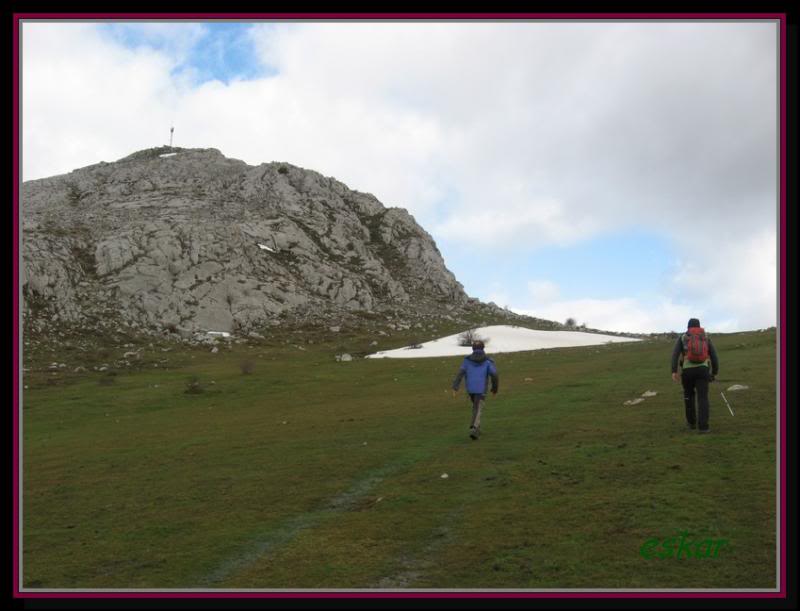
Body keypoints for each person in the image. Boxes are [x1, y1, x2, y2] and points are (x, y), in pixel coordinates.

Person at [671, 318, 719, 433]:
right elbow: (714, 356)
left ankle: (691, 423)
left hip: (687, 371)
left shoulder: (683, 337)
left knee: (688, 396)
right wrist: (714, 373)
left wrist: (674, 371)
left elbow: (675, 355)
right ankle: (704, 427)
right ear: (699, 326)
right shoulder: (705, 337)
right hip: (703, 370)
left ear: (688, 327)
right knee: (703, 398)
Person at [452, 340, 499, 439]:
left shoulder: (467, 360)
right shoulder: (488, 361)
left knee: (476, 407)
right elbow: (494, 375)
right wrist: (494, 389)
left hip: (470, 389)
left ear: (472, 348)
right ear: (483, 348)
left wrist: (455, 387)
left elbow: (460, 374)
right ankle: (474, 428)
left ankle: (477, 429)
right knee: (478, 408)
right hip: (481, 389)